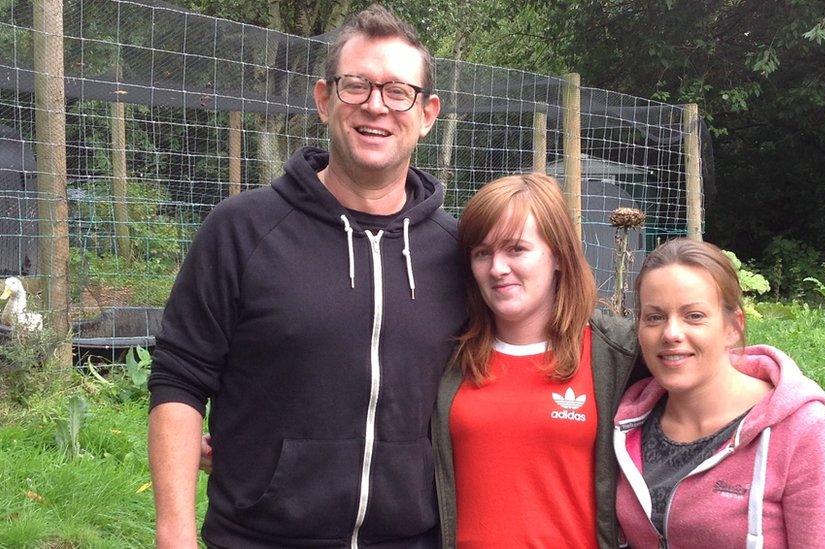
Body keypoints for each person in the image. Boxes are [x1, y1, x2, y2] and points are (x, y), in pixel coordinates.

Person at [147, 5, 467, 547]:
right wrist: (173, 534)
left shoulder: (457, 253)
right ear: (324, 99)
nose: (375, 106)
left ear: (428, 112)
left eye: (397, 91)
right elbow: (180, 378)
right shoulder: (243, 231)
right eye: (356, 86)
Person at [432, 173, 642, 548]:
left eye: (516, 249)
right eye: (482, 252)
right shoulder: (449, 356)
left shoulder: (617, 353)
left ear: (559, 255)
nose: (497, 268)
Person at [614, 238, 825, 548]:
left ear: (733, 327)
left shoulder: (806, 433)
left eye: (694, 316)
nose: (671, 333)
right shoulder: (626, 424)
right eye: (654, 317)